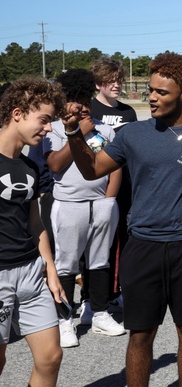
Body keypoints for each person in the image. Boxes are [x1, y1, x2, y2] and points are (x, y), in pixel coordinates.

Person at [61, 52, 182, 387]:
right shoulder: (133, 134)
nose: (151, 97)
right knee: (140, 335)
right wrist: (75, 132)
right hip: (143, 247)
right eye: (149, 90)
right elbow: (92, 169)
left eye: (161, 93)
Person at [0, 77, 67, 387]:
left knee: (50, 356)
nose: (48, 130)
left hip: (31, 272)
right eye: (43, 120)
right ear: (17, 113)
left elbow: (35, 221)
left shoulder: (29, 166)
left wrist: (50, 269)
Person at [45, 69, 125, 347]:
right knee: (66, 264)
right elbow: (55, 164)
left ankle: (98, 311)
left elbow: (113, 166)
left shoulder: (104, 128)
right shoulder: (53, 129)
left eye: (84, 98)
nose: (80, 105)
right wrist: (78, 133)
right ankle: (65, 320)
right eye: (74, 99)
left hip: (101, 203)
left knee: (100, 261)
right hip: (69, 204)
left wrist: (109, 200)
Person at [89, 58, 137, 313]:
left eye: (119, 79)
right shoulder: (90, 110)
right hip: (98, 182)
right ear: (99, 83)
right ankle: (92, 296)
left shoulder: (128, 112)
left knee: (122, 238)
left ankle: (117, 291)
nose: (117, 85)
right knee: (96, 241)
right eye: (111, 80)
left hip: (125, 183)